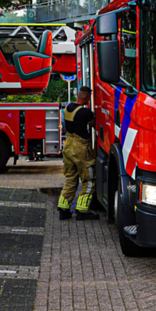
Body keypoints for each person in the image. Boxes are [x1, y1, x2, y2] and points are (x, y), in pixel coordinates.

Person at [58, 86, 97, 221]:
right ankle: (82, 210)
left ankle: (63, 208)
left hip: (68, 145)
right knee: (89, 179)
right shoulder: (85, 112)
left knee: (70, 178)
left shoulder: (68, 107)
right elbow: (94, 124)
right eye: (89, 96)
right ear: (85, 97)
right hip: (80, 147)